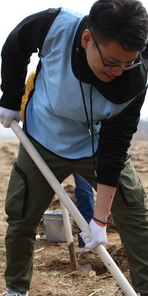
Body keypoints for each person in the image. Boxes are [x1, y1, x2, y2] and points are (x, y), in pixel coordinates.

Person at [0, 0, 148, 296]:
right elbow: (15, 45)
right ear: (87, 40)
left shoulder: (133, 78)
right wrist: (10, 97)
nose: (117, 72)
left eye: (126, 64)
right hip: (42, 139)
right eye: (111, 62)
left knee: (135, 210)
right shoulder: (54, 26)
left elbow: (115, 148)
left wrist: (99, 219)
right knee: (20, 215)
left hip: (95, 145)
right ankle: (17, 295)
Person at [21, 71, 95, 252]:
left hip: (79, 145)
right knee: (35, 192)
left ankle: (86, 241)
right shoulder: (35, 77)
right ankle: (33, 233)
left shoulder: (80, 76)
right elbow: (24, 107)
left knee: (84, 191)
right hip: (45, 145)